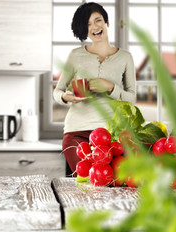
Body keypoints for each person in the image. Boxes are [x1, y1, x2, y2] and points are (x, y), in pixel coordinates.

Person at [53, 2, 136, 175]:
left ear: (107, 23)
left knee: (114, 184)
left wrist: (111, 88)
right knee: (88, 184)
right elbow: (57, 91)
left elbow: (132, 99)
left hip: (112, 134)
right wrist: (67, 97)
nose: (95, 27)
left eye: (98, 20)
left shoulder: (125, 57)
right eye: (88, 24)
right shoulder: (76, 55)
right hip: (77, 132)